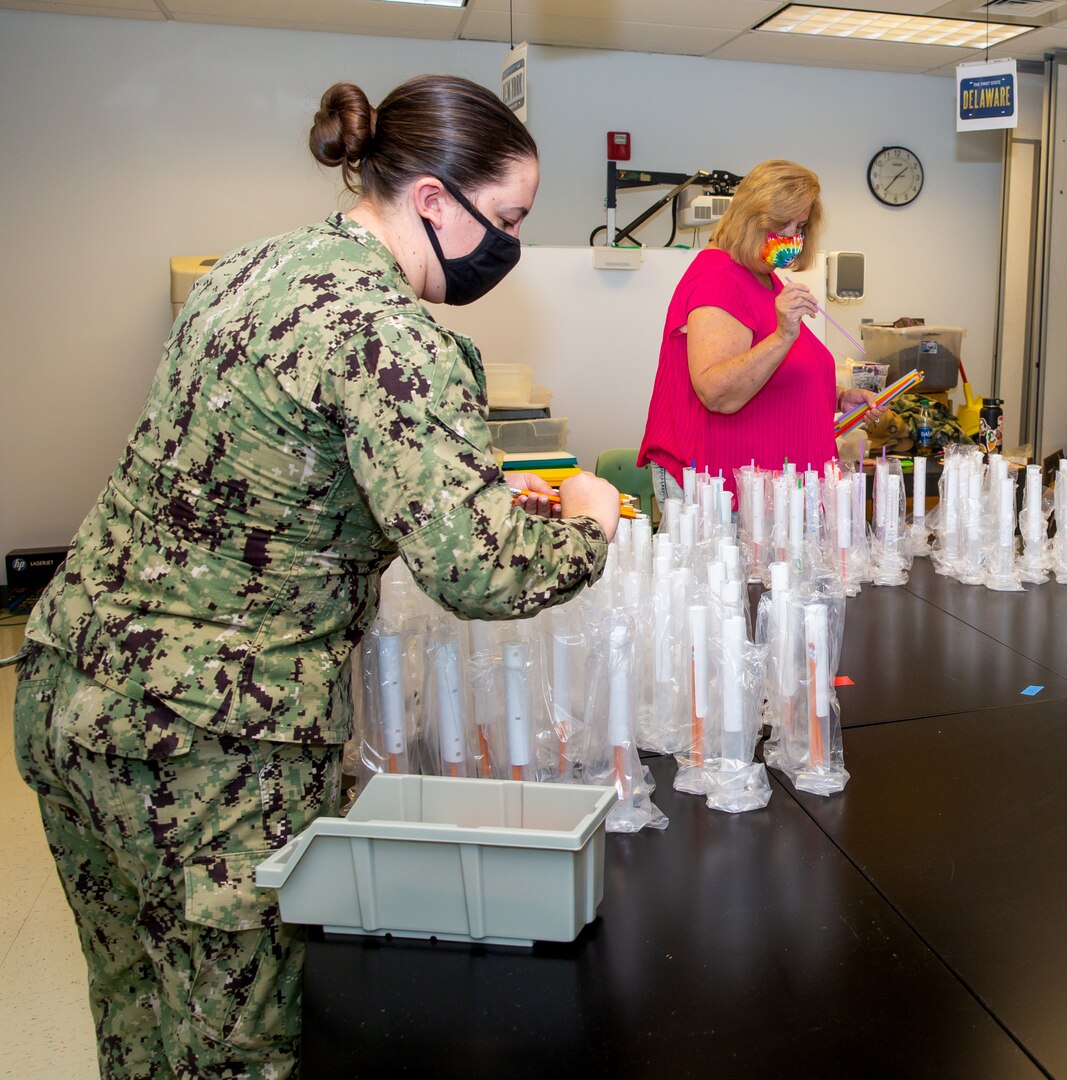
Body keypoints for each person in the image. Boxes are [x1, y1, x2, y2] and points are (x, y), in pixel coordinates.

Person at [11, 74, 623, 1078]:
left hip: (71, 690)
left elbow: (277, 463)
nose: (507, 248)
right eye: (506, 221)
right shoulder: (393, 331)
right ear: (434, 200)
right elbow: (479, 572)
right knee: (240, 1048)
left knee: (135, 1008)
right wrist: (590, 523)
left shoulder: (254, 265)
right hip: (209, 743)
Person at [636, 159, 878, 503]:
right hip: (724, 493)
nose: (792, 236)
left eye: (801, 226)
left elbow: (769, 374)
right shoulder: (719, 277)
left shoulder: (762, 277)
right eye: (782, 223)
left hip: (770, 495)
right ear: (751, 218)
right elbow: (717, 391)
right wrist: (783, 335)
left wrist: (836, 396)